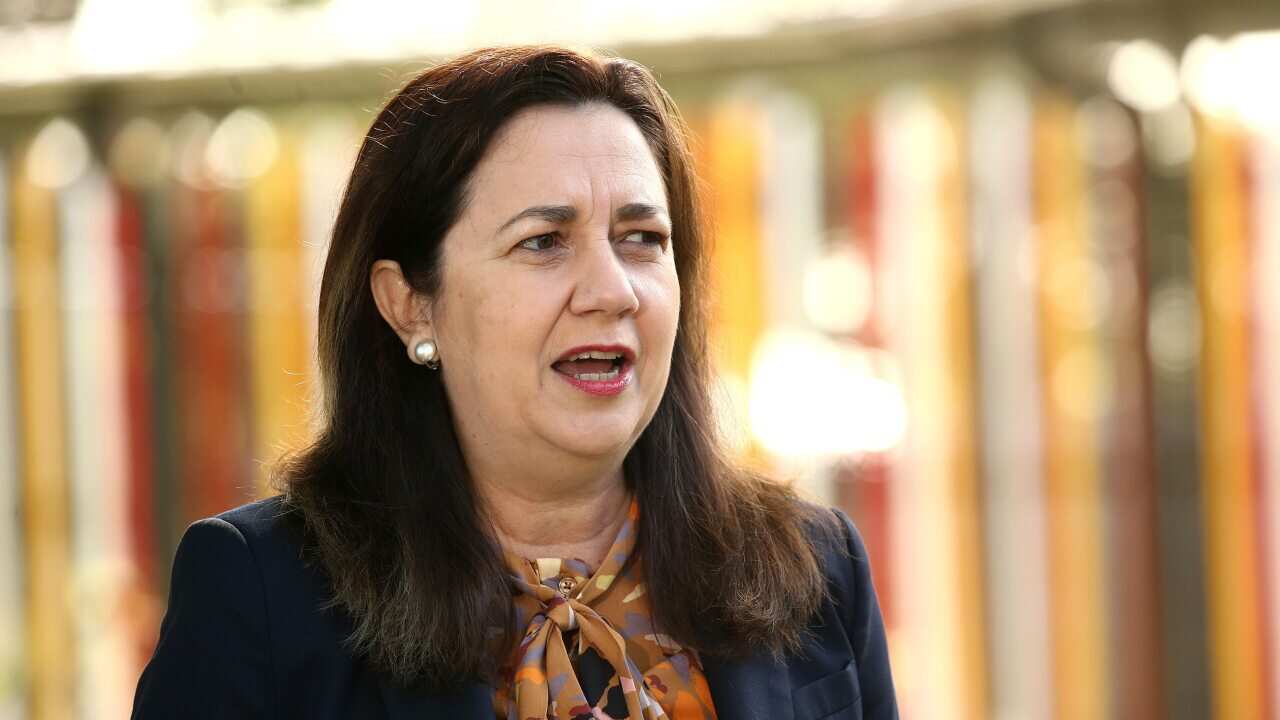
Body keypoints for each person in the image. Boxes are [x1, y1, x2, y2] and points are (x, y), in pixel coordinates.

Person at [131, 45, 898, 719]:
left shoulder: (816, 571)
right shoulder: (264, 595)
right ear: (409, 303)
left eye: (641, 239)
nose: (612, 289)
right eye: (544, 242)